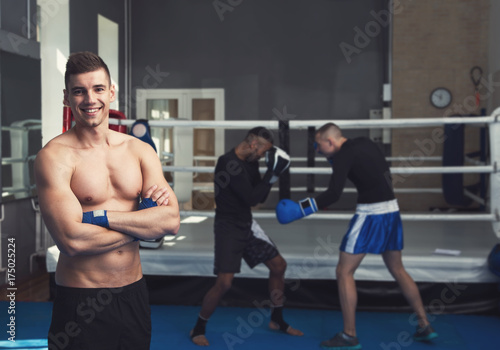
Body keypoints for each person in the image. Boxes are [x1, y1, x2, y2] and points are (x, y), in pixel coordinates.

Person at [34, 51, 180, 350]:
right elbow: (72, 241)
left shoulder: (140, 151)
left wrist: (98, 217)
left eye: (98, 89)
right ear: (67, 97)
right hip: (80, 298)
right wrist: (143, 224)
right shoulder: (54, 157)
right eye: (79, 91)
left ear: (111, 92)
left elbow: (171, 221)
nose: (90, 99)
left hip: (133, 294)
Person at [276, 123, 438, 350]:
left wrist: (300, 209)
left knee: (344, 271)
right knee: (398, 269)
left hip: (370, 215)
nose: (319, 151)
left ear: (330, 141)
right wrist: (336, 162)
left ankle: (349, 335)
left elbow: (333, 194)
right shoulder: (364, 143)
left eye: (319, 146)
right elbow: (371, 170)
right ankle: (424, 325)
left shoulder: (343, 156)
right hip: (391, 210)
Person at [190, 127, 304, 346]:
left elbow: (259, 196)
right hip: (228, 227)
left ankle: (276, 319)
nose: (263, 156)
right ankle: (198, 328)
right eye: (264, 151)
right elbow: (253, 197)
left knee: (279, 266)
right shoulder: (227, 163)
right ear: (254, 144)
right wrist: (273, 175)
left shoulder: (251, 162)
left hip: (247, 224)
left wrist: (270, 176)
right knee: (224, 283)